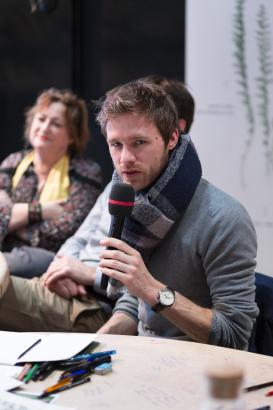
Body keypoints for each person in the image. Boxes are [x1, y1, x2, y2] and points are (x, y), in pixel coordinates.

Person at [0, 81, 258, 349]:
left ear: (171, 138)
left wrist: (150, 289)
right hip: (143, 354)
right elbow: (132, 306)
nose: (125, 159)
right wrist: (89, 349)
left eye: (139, 142)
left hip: (200, 368)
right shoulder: (134, 197)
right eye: (116, 144)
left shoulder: (224, 218)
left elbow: (234, 336)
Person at [0, 88, 102, 278]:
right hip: (5, 251)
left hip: (46, 259)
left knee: (42, 258)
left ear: (72, 135)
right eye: (41, 119)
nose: (44, 128)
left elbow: (65, 230)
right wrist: (40, 211)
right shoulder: (13, 162)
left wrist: (13, 219)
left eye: (56, 123)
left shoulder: (85, 171)